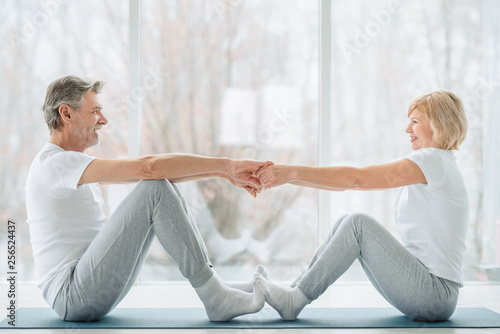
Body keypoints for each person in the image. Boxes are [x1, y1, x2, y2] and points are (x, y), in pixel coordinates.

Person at [25, 75, 271, 322]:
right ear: (66, 114)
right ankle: (214, 295)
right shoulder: (56, 163)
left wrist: (223, 172)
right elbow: (149, 169)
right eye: (95, 111)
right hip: (72, 294)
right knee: (153, 189)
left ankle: (214, 286)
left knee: (160, 186)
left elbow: (157, 173)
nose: (104, 119)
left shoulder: (69, 166)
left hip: (83, 287)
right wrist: (228, 165)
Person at [253, 90, 469, 322]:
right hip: (432, 292)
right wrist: (287, 176)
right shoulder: (439, 163)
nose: (407, 129)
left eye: (415, 122)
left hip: (434, 294)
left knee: (358, 225)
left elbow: (358, 179)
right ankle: (294, 292)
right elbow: (350, 183)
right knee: (345, 222)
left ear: (438, 125)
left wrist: (290, 172)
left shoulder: (432, 160)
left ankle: (295, 299)